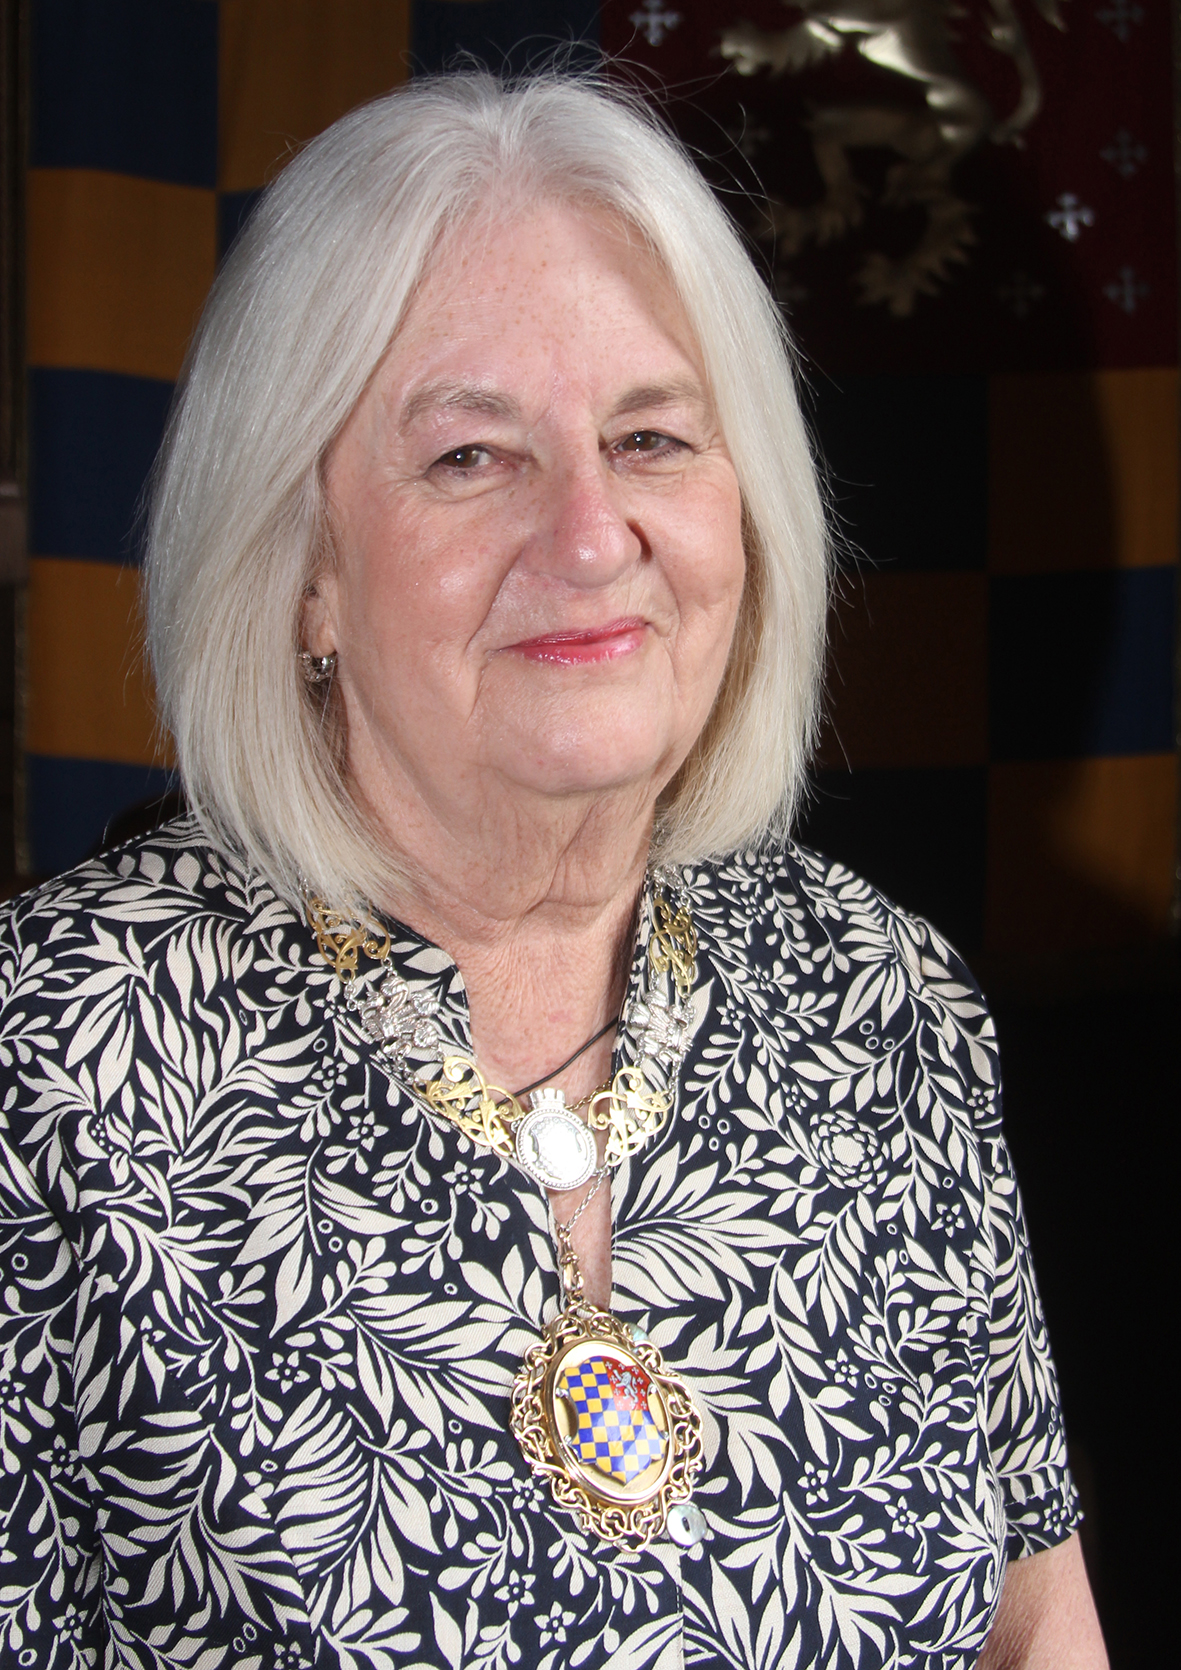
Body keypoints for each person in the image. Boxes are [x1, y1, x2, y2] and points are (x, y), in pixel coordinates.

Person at [0, 72, 1105, 1670]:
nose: (591, 535)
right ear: (301, 570)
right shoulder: (52, 1068)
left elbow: (1032, 1625)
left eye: (650, 435)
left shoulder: (883, 1000)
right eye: (469, 456)